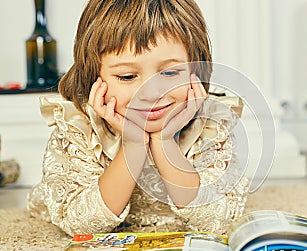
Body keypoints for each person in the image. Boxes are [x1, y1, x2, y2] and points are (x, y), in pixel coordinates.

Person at [27, 0, 249, 237]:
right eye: (127, 76)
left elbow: (218, 218)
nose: (151, 93)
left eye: (170, 72)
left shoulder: (211, 125)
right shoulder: (78, 125)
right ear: (94, 77)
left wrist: (163, 142)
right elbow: (82, 224)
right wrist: (133, 144)